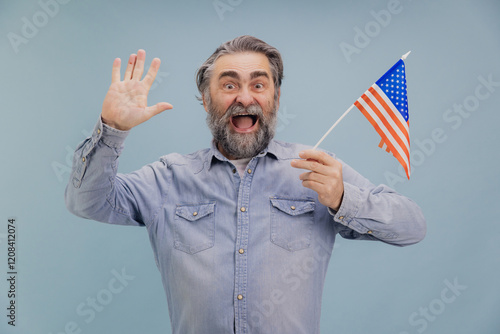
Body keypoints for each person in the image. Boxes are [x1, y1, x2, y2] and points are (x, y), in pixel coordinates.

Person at [65, 35, 426, 334]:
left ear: (275, 98)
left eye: (258, 84)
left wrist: (344, 198)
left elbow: (412, 226)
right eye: (228, 85)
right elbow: (86, 202)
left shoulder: (316, 169)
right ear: (206, 100)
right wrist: (112, 130)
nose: (244, 97)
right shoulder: (167, 177)